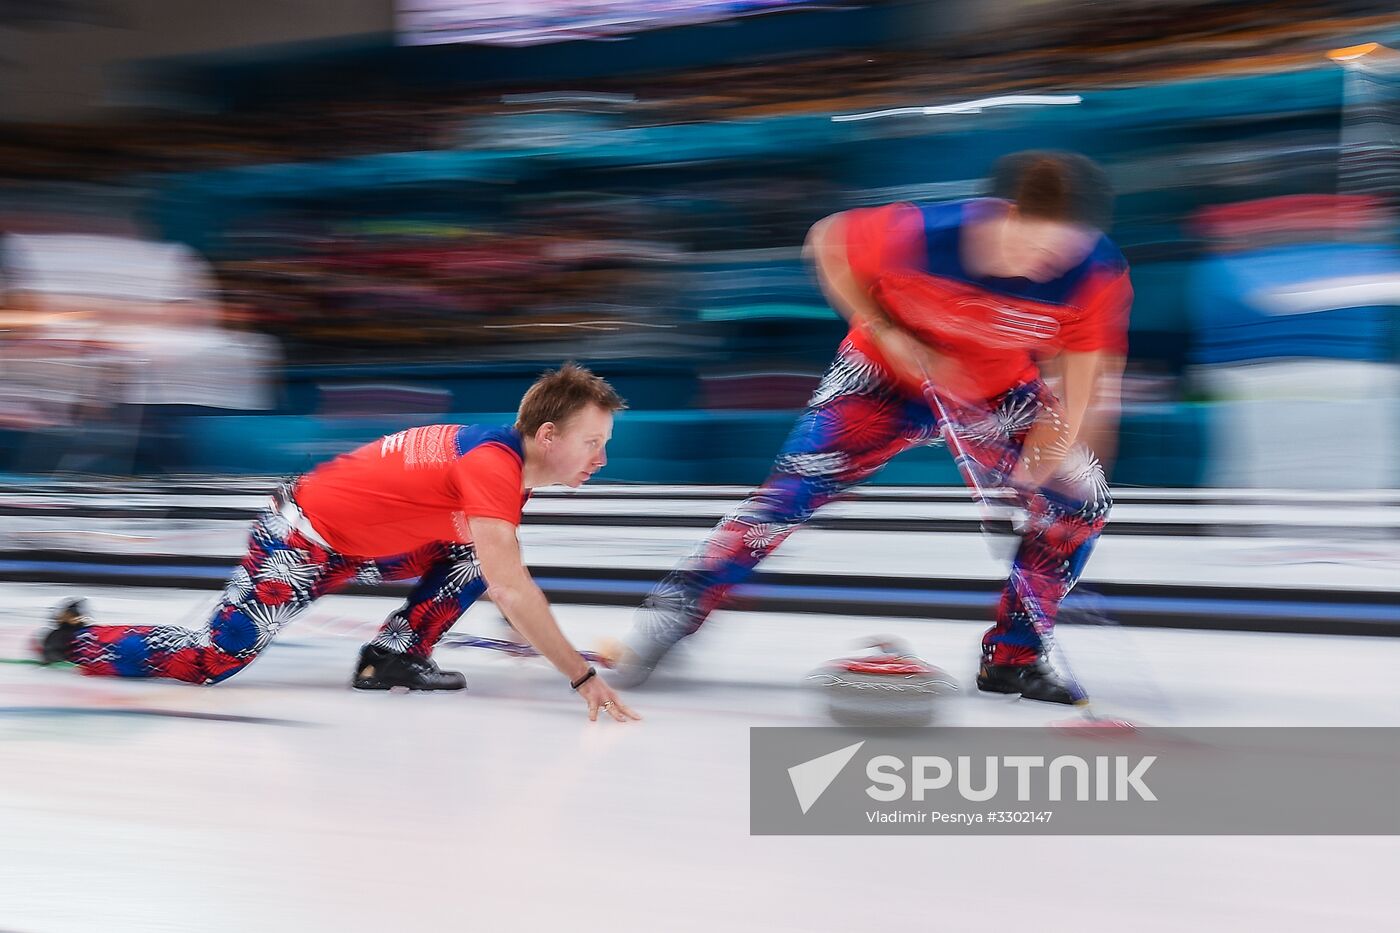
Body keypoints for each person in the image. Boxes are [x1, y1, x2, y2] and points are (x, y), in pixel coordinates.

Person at [611, 151, 1131, 704]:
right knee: (789, 496)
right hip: (880, 378)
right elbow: (828, 240)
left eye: (1065, 248)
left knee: (1082, 498)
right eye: (1035, 242)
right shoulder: (925, 235)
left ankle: (1015, 658)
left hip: (997, 391)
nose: (1048, 261)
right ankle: (679, 607)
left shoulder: (1095, 273)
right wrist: (884, 328)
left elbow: (1087, 375)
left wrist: (1059, 444)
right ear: (1006, 215)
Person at [34, 363, 640, 723]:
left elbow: (498, 568)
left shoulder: (499, 462)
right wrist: (581, 678)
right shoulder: (492, 467)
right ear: (550, 434)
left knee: (474, 555)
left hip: (357, 543)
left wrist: (520, 634)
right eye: (593, 443)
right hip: (300, 541)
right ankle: (74, 639)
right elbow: (512, 585)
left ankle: (391, 657)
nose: (603, 459)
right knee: (209, 661)